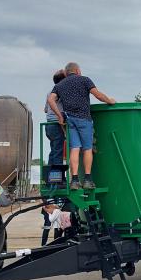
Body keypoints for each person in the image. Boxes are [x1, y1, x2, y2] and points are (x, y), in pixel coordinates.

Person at [47, 62, 116, 191]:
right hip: (84, 119)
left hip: (70, 121)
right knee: (87, 149)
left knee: (74, 149)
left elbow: (50, 100)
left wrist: (59, 116)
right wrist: (110, 100)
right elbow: (98, 94)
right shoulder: (85, 80)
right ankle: (88, 179)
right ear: (78, 71)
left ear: (67, 73)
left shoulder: (60, 85)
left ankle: (74, 180)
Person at [44, 69, 66, 184]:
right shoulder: (60, 91)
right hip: (56, 124)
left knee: (53, 151)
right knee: (58, 152)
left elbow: (45, 109)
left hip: (48, 125)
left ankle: (50, 178)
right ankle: (57, 179)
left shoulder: (50, 92)